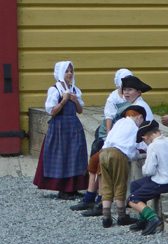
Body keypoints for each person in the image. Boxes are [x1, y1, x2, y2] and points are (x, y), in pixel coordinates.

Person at [70, 68, 133, 212]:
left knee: (101, 162)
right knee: (94, 159)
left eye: (130, 87)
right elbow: (109, 118)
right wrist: (108, 138)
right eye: (125, 86)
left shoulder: (136, 104)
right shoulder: (114, 97)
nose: (127, 90)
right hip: (109, 134)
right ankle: (89, 197)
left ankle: (100, 201)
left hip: (123, 140)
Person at [33, 61, 88, 199]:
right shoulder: (55, 90)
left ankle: (73, 187)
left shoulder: (75, 89)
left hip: (73, 126)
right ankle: (63, 189)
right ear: (60, 73)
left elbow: (80, 111)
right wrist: (63, 100)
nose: (69, 73)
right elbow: (52, 112)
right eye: (66, 71)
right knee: (62, 156)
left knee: (75, 155)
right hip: (60, 127)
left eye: (71, 71)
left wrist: (75, 100)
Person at [128, 120, 168, 236]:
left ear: (145, 137)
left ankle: (153, 218)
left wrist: (144, 168)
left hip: (161, 182)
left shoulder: (153, 146)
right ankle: (143, 219)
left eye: (144, 140)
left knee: (132, 199)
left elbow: (149, 171)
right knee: (135, 185)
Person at [99, 105, 146, 228]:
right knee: (120, 184)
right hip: (118, 154)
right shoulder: (133, 127)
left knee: (106, 184)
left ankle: (106, 217)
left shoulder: (119, 122)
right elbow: (132, 147)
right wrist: (140, 155)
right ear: (139, 117)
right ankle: (121, 216)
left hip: (103, 153)